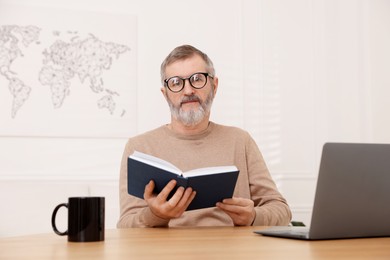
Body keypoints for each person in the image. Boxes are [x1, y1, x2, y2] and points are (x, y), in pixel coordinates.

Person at [117, 45, 291, 228]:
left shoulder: (240, 140)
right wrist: (155, 215)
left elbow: (281, 209)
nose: (188, 90)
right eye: (176, 83)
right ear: (165, 94)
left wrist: (254, 216)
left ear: (214, 86)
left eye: (197, 79)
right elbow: (126, 225)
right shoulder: (139, 147)